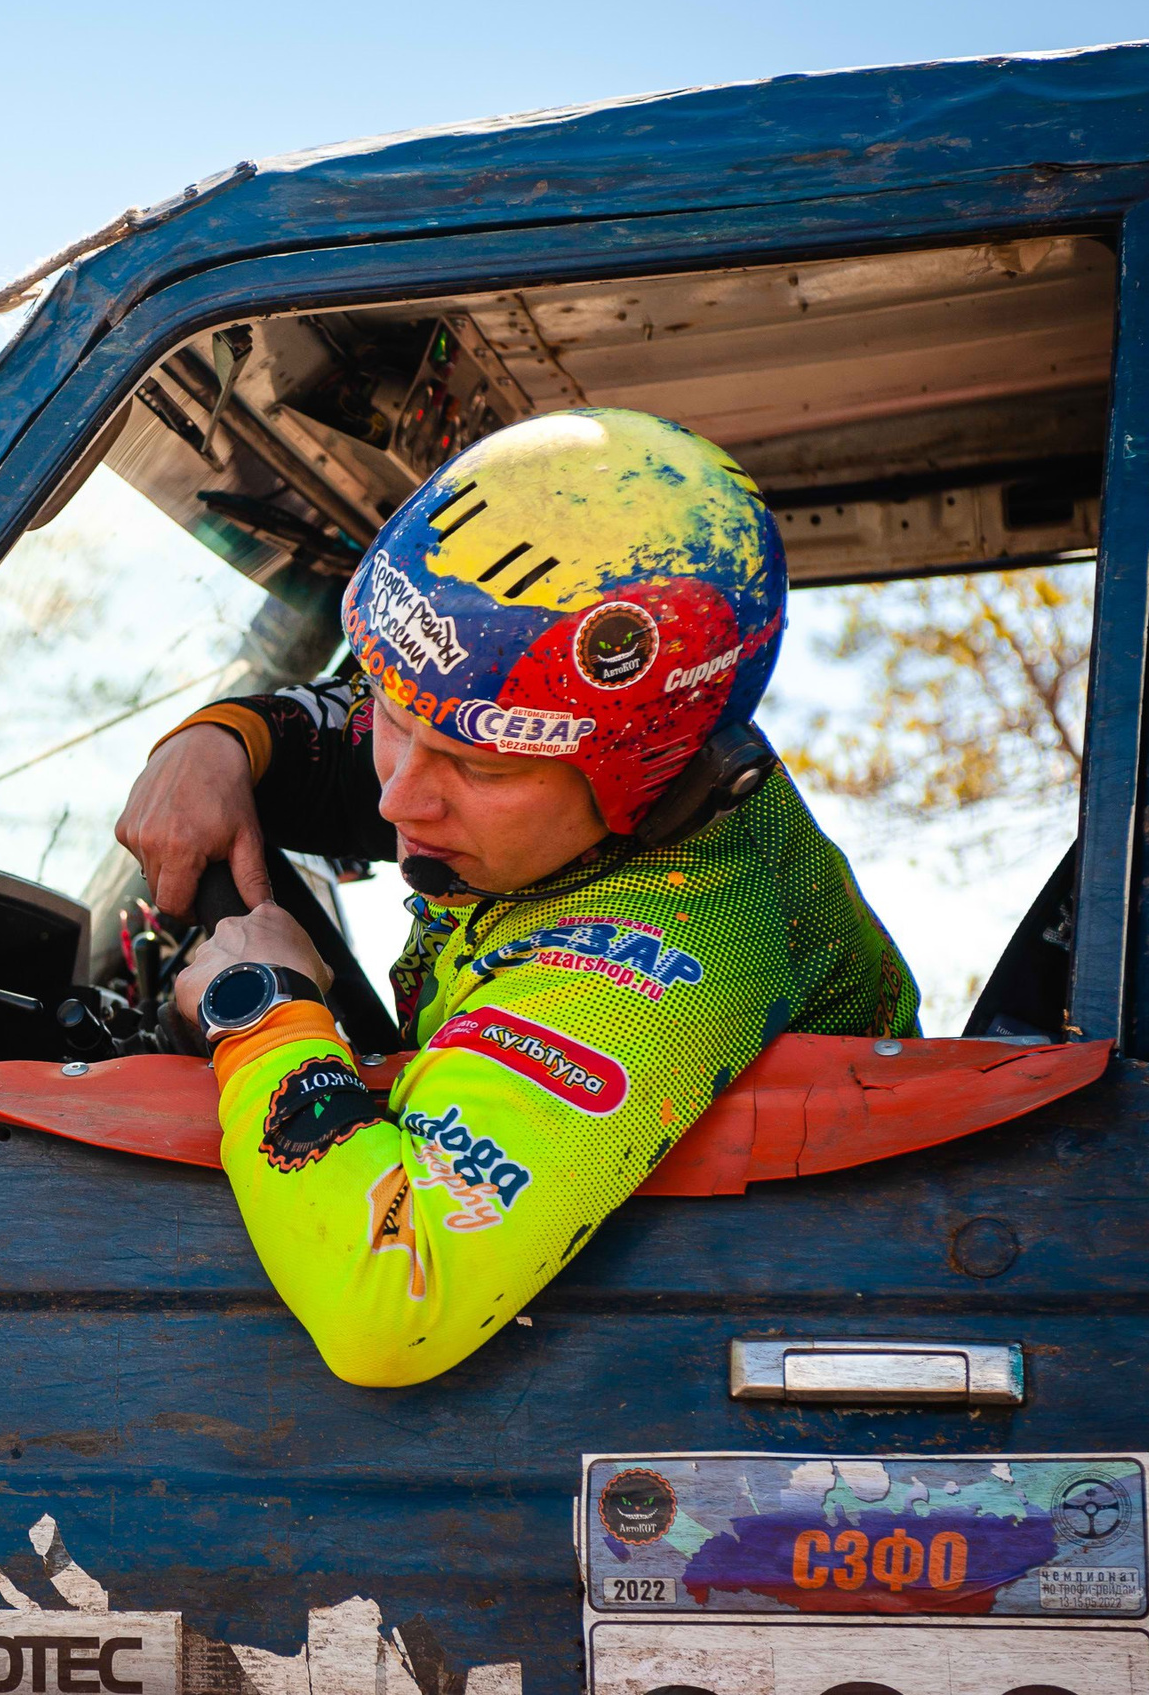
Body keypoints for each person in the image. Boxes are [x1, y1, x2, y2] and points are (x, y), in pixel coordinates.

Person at [114, 409, 918, 1388]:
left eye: (474, 767)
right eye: (396, 722)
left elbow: (386, 1309)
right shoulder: (553, 762)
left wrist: (265, 1013)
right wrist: (221, 740)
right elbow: (412, 735)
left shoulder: (674, 950)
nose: (398, 793)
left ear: (649, 782)